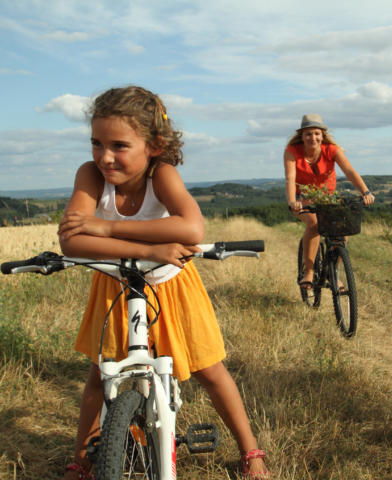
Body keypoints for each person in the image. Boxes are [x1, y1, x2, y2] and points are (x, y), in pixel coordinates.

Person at [58, 86, 269, 479]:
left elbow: (190, 227)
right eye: (96, 143)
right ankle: (81, 460)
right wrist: (151, 248)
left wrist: (104, 227)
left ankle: (250, 450)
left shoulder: (162, 175)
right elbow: (71, 241)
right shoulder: (89, 175)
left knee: (209, 370)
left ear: (154, 145)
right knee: (100, 374)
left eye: (119, 146)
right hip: (116, 285)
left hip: (172, 287)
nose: (104, 157)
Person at [284, 114, 375, 288]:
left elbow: (349, 171)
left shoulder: (331, 150)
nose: (313, 137)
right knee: (314, 225)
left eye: (317, 133)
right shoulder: (292, 151)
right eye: (308, 134)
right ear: (301, 136)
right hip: (300, 198)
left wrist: (366, 191)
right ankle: (309, 272)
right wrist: (292, 201)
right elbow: (290, 178)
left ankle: (333, 273)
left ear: (322, 135)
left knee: (342, 233)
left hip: (326, 198)